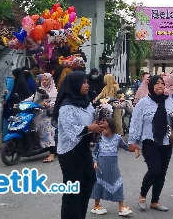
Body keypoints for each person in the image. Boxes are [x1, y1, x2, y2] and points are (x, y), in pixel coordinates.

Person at [53, 71, 104, 219]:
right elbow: (71, 132)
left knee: (88, 180)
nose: (87, 85)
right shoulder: (66, 107)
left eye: (87, 82)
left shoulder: (86, 102)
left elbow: (92, 119)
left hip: (83, 148)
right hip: (70, 152)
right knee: (73, 188)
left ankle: (80, 215)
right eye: (84, 82)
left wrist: (100, 123)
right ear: (75, 85)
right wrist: (89, 128)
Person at [128, 75, 173, 212]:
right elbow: (136, 122)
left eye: (162, 83)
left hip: (166, 141)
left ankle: (155, 201)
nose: (160, 86)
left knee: (162, 172)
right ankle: (143, 194)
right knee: (154, 170)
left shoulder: (169, 101)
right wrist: (133, 142)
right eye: (157, 83)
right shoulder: (144, 103)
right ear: (151, 86)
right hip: (149, 141)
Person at [90, 117, 139, 217]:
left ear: (112, 128)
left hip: (113, 168)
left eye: (106, 129)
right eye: (102, 129)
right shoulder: (99, 138)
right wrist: (94, 161)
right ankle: (96, 206)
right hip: (101, 168)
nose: (103, 131)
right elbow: (94, 152)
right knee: (98, 185)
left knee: (118, 185)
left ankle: (121, 207)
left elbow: (126, 147)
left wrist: (134, 149)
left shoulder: (117, 138)